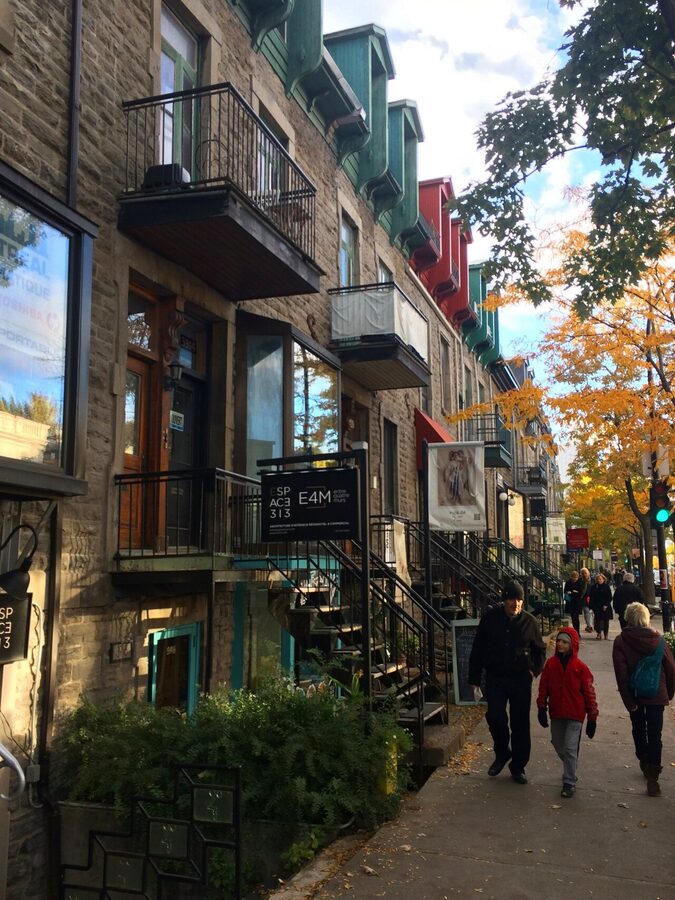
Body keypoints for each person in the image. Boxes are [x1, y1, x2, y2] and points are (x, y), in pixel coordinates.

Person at [468, 579, 546, 785]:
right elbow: (478, 649)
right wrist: (474, 678)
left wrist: (533, 670)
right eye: (512, 599)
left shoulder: (529, 622)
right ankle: (502, 752)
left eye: (519, 600)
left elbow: (540, 650)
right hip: (496, 677)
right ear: (504, 600)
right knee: (495, 717)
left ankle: (518, 766)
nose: (516, 604)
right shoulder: (490, 619)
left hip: (520, 679)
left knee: (520, 723)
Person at [612, 602, 675, 796]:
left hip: (635, 694)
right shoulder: (659, 640)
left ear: (628, 618)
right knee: (655, 734)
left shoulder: (621, 641)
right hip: (657, 693)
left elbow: (621, 675)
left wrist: (628, 702)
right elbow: (671, 668)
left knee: (638, 728)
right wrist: (668, 693)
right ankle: (653, 778)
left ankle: (643, 757)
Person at [536, 627, 599, 798]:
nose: (560, 644)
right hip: (557, 712)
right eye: (558, 641)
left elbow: (589, 693)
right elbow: (544, 687)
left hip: (575, 714)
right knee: (558, 743)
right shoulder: (551, 665)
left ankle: (569, 781)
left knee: (571, 748)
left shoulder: (580, 668)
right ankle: (571, 765)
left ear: (572, 645)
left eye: (565, 642)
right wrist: (541, 707)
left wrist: (592, 717)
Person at [589, 573, 613, 639]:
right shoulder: (594, 587)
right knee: (598, 621)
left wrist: (606, 605)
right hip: (597, 606)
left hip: (605, 606)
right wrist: (591, 607)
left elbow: (610, 597)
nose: (599, 580)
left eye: (600, 579)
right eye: (598, 579)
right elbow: (591, 597)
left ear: (603, 579)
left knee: (606, 621)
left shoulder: (606, 587)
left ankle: (606, 634)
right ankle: (599, 633)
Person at [575, 567, 593, 633]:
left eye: (585, 573)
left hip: (590, 598)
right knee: (586, 611)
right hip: (583, 598)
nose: (584, 574)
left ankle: (589, 625)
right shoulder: (579, 581)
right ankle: (589, 625)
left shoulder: (592, 580)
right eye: (582, 573)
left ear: (588, 573)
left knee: (589, 612)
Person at [563, 570, 581, 634]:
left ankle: (577, 632)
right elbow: (565, 590)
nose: (575, 579)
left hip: (576, 602)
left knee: (576, 617)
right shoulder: (568, 583)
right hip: (570, 602)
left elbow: (580, 592)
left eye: (576, 578)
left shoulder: (579, 583)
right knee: (572, 617)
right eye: (573, 577)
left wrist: (574, 592)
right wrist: (569, 592)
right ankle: (575, 631)